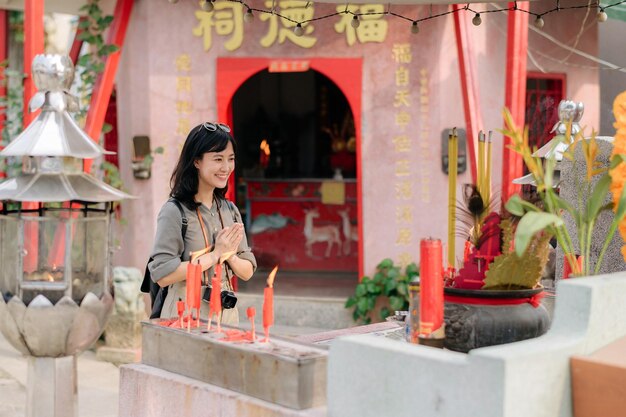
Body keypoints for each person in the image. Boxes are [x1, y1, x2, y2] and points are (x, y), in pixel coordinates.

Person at [148, 122, 256, 325]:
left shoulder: (230, 210)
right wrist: (215, 255)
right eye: (218, 159)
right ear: (196, 161)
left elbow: (247, 271)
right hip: (184, 313)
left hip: (227, 314)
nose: (226, 168)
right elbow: (162, 275)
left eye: (230, 159)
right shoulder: (174, 211)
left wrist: (229, 255)